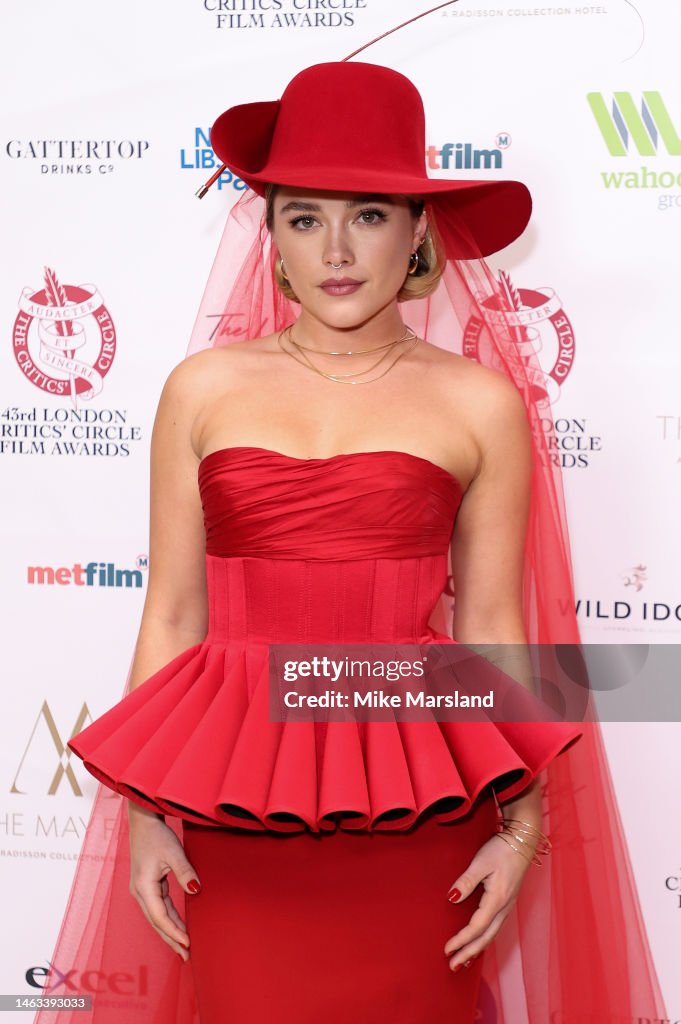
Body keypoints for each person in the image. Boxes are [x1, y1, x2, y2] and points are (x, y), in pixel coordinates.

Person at [36, 59, 667, 1024]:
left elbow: (494, 623)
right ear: (270, 235)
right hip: (232, 808)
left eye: (368, 214)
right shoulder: (200, 390)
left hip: (420, 807)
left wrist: (523, 820)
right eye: (303, 216)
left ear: (418, 230)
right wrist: (142, 811)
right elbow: (170, 612)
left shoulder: (480, 402)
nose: (336, 248)